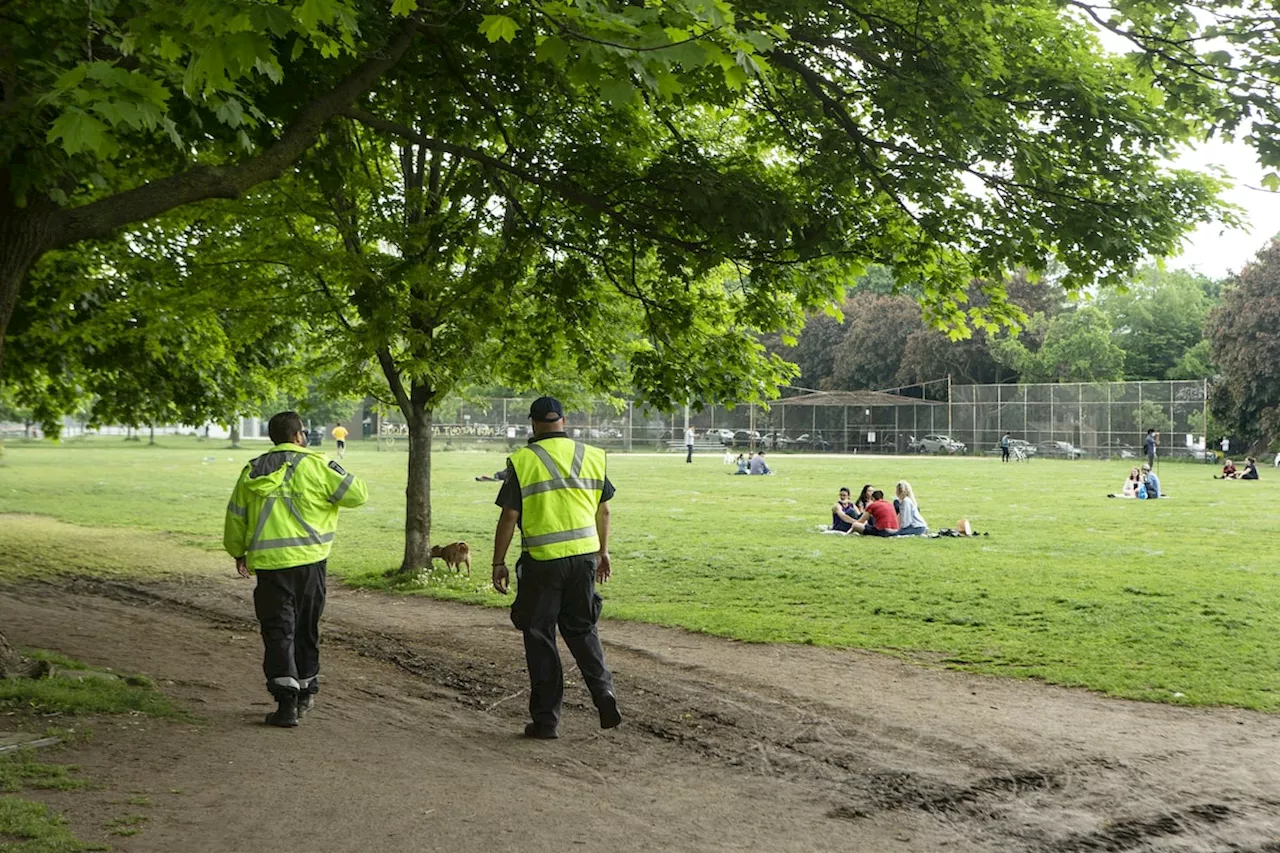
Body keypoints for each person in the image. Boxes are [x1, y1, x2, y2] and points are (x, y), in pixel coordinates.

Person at [223, 411, 368, 727]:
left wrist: (238, 552)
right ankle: (305, 693)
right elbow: (357, 494)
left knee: (278, 631)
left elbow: (235, 515)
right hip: (309, 562)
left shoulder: (252, 470)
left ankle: (285, 702)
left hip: (270, 568)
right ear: (299, 435)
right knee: (306, 627)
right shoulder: (317, 465)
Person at [491, 396, 620, 739]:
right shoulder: (591, 456)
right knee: (582, 629)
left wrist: (498, 562)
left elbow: (509, 516)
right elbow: (603, 511)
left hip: (542, 563)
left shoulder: (524, 460)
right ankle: (603, 691)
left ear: (533, 423)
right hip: (584, 559)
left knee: (540, 636)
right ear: (564, 420)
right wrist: (603, 553)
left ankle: (546, 721)